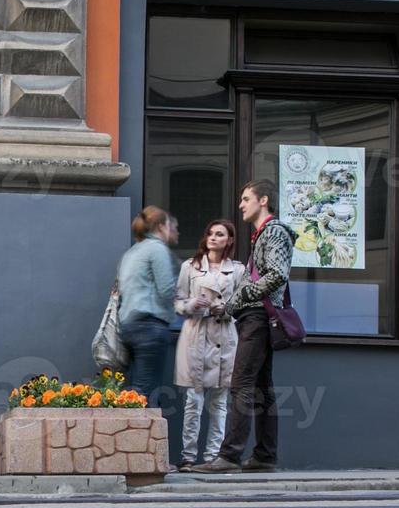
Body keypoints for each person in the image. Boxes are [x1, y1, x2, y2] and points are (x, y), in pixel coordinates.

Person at [197, 180, 294, 474]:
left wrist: (242, 297)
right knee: (263, 388)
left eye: (245, 199)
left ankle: (229, 456)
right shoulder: (262, 234)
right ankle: (265, 456)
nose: (240, 205)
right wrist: (231, 306)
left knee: (241, 385)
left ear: (263, 200)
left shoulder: (274, 232)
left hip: (258, 317)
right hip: (255, 315)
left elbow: (276, 274)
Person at [173, 219, 245, 470]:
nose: (213, 238)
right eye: (210, 233)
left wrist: (224, 310)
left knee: (220, 402)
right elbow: (178, 301)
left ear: (230, 240)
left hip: (224, 337)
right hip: (195, 336)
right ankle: (188, 457)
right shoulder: (189, 267)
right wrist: (192, 305)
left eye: (220, 234)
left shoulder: (237, 270)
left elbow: (242, 306)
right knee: (193, 400)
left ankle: (214, 456)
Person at [116, 206, 179, 404]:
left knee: (135, 390)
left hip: (128, 326)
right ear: (161, 226)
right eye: (170, 225)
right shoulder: (157, 249)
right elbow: (166, 290)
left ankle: (133, 433)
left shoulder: (132, 253)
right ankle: (142, 435)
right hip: (150, 327)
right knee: (147, 394)